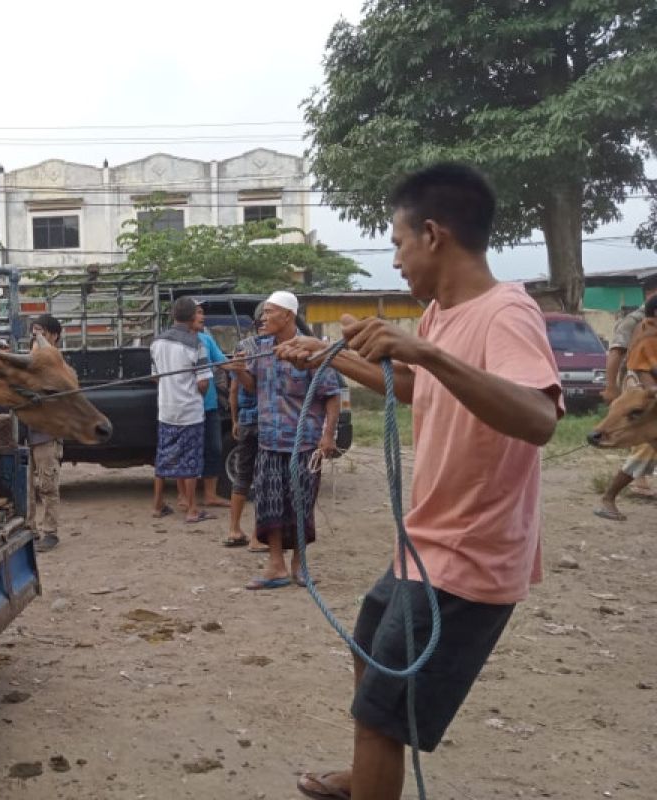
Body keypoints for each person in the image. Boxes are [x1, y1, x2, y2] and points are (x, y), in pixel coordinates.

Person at [277, 164, 562, 800]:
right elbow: (418, 387)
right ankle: (368, 775)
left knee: (381, 714)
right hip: (427, 544)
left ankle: (373, 769)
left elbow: (541, 418)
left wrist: (424, 351)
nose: (397, 259)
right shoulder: (440, 314)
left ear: (433, 234)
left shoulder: (505, 312)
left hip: (471, 554)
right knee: (368, 649)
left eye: (398, 242)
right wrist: (334, 357)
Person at [225, 291, 340, 589]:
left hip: (303, 443)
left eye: (270, 312)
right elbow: (253, 387)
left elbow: (331, 395)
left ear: (288, 316)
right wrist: (239, 374)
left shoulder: (311, 350)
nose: (263, 318)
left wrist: (328, 436)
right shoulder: (260, 349)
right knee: (270, 505)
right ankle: (275, 565)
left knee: (300, 505)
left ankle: (299, 565)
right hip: (269, 442)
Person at [595, 287, 657, 521]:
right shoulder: (634, 323)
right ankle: (608, 499)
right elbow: (617, 354)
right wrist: (611, 387)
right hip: (639, 393)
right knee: (645, 448)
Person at [151, 295, 213, 524]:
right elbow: (203, 382)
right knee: (190, 461)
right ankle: (192, 510)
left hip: (166, 409)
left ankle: (157, 505)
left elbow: (155, 376)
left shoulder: (156, 342)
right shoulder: (197, 343)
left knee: (163, 458)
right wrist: (197, 396)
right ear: (191, 317)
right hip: (189, 411)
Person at [223, 303, 268, 551]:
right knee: (264, 477)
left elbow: (233, 389)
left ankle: (233, 529)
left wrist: (235, 420)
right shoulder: (273, 347)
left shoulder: (242, 346)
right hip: (267, 422)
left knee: (242, 476)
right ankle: (257, 537)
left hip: (247, 420)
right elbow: (249, 386)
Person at [26, 314, 65, 552]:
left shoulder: (59, 364)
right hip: (27, 432)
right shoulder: (28, 360)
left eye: (40, 332)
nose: (35, 336)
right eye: (33, 331)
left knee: (48, 485)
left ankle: (50, 532)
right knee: (27, 486)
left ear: (53, 335)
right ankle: (29, 530)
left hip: (46, 434)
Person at [192, 302, 232, 510]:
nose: (203, 316)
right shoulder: (174, 340)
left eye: (202, 312)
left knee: (214, 449)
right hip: (188, 406)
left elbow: (223, 362)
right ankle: (185, 497)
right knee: (188, 451)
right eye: (199, 312)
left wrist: (244, 368)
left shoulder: (206, 339)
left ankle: (210, 495)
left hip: (209, 405)